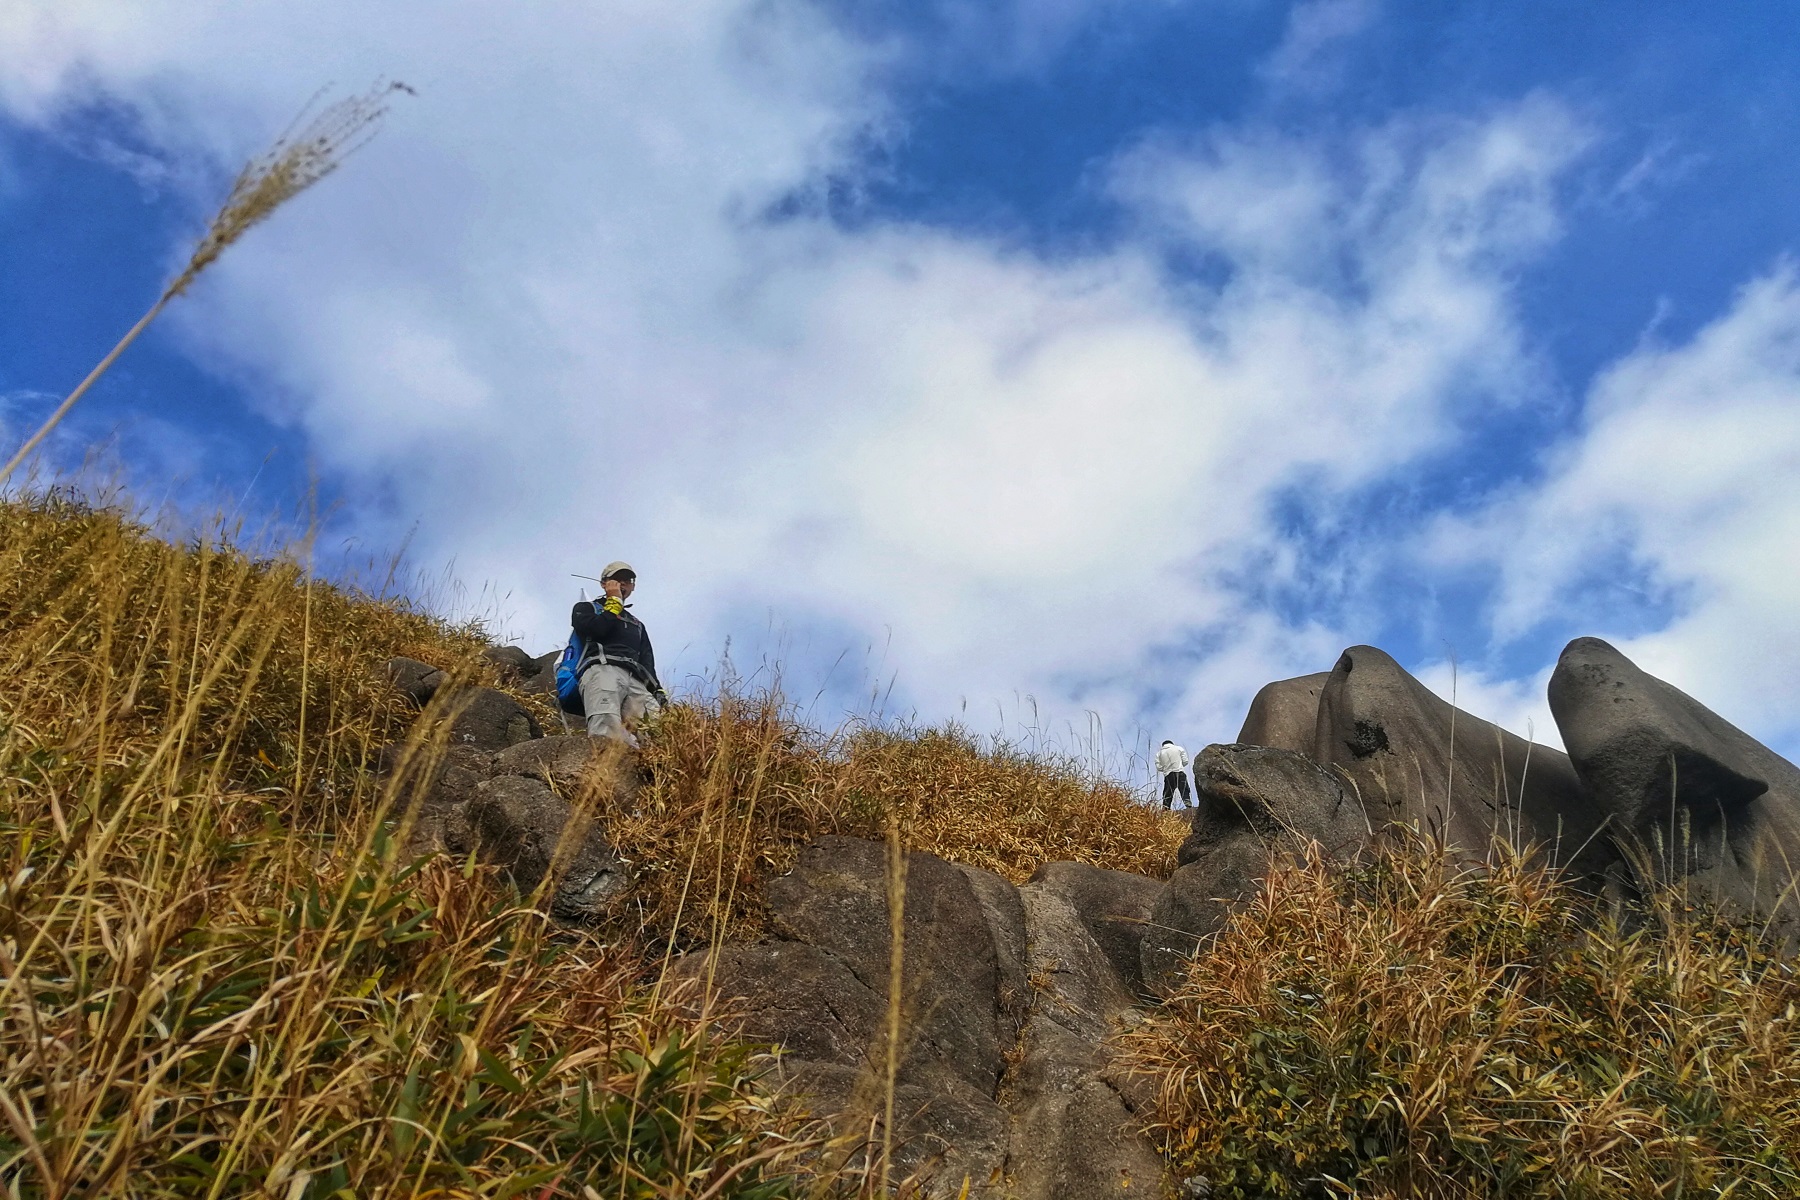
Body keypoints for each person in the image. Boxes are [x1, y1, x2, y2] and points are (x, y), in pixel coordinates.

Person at [569, 560, 668, 743]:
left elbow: (647, 662)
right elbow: (597, 630)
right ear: (603, 584)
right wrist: (613, 602)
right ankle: (603, 770)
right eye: (616, 579)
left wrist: (658, 692)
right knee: (606, 728)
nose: (622, 583)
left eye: (627, 580)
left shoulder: (637, 624)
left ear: (633, 586)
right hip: (602, 669)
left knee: (658, 731)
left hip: (637, 680)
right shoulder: (586, 608)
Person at [1156, 739, 1191, 810]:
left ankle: (1166, 809)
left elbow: (1158, 767)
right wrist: (1180, 765)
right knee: (1184, 789)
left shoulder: (1159, 753)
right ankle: (1188, 804)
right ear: (1172, 743)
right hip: (1180, 772)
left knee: (1168, 793)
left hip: (1168, 775)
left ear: (1163, 745)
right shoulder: (1179, 748)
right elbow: (1185, 761)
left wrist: (1166, 768)